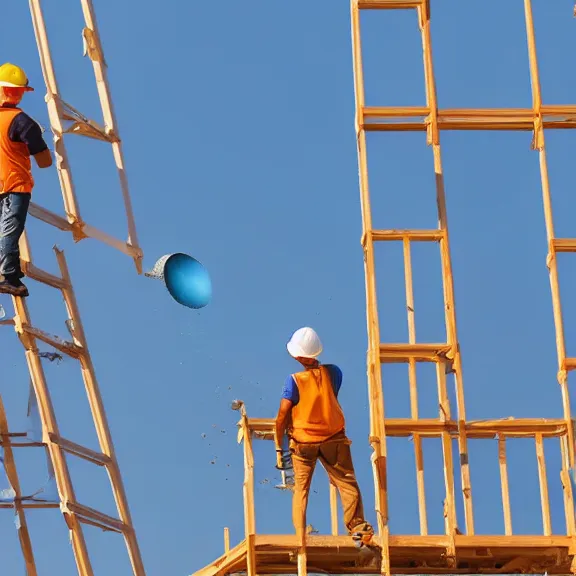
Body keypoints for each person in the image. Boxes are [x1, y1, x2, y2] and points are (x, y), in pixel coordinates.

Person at [274, 326, 374, 547]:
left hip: (303, 443)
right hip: (333, 438)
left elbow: (282, 415)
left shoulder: (294, 380)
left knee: (301, 489)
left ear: (299, 356)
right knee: (346, 483)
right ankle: (358, 529)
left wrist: (279, 446)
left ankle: (300, 535)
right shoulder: (334, 372)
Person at [0, 62, 52, 297]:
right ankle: (8, 277)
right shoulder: (21, 121)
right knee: (10, 231)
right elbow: (44, 160)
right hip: (15, 185)